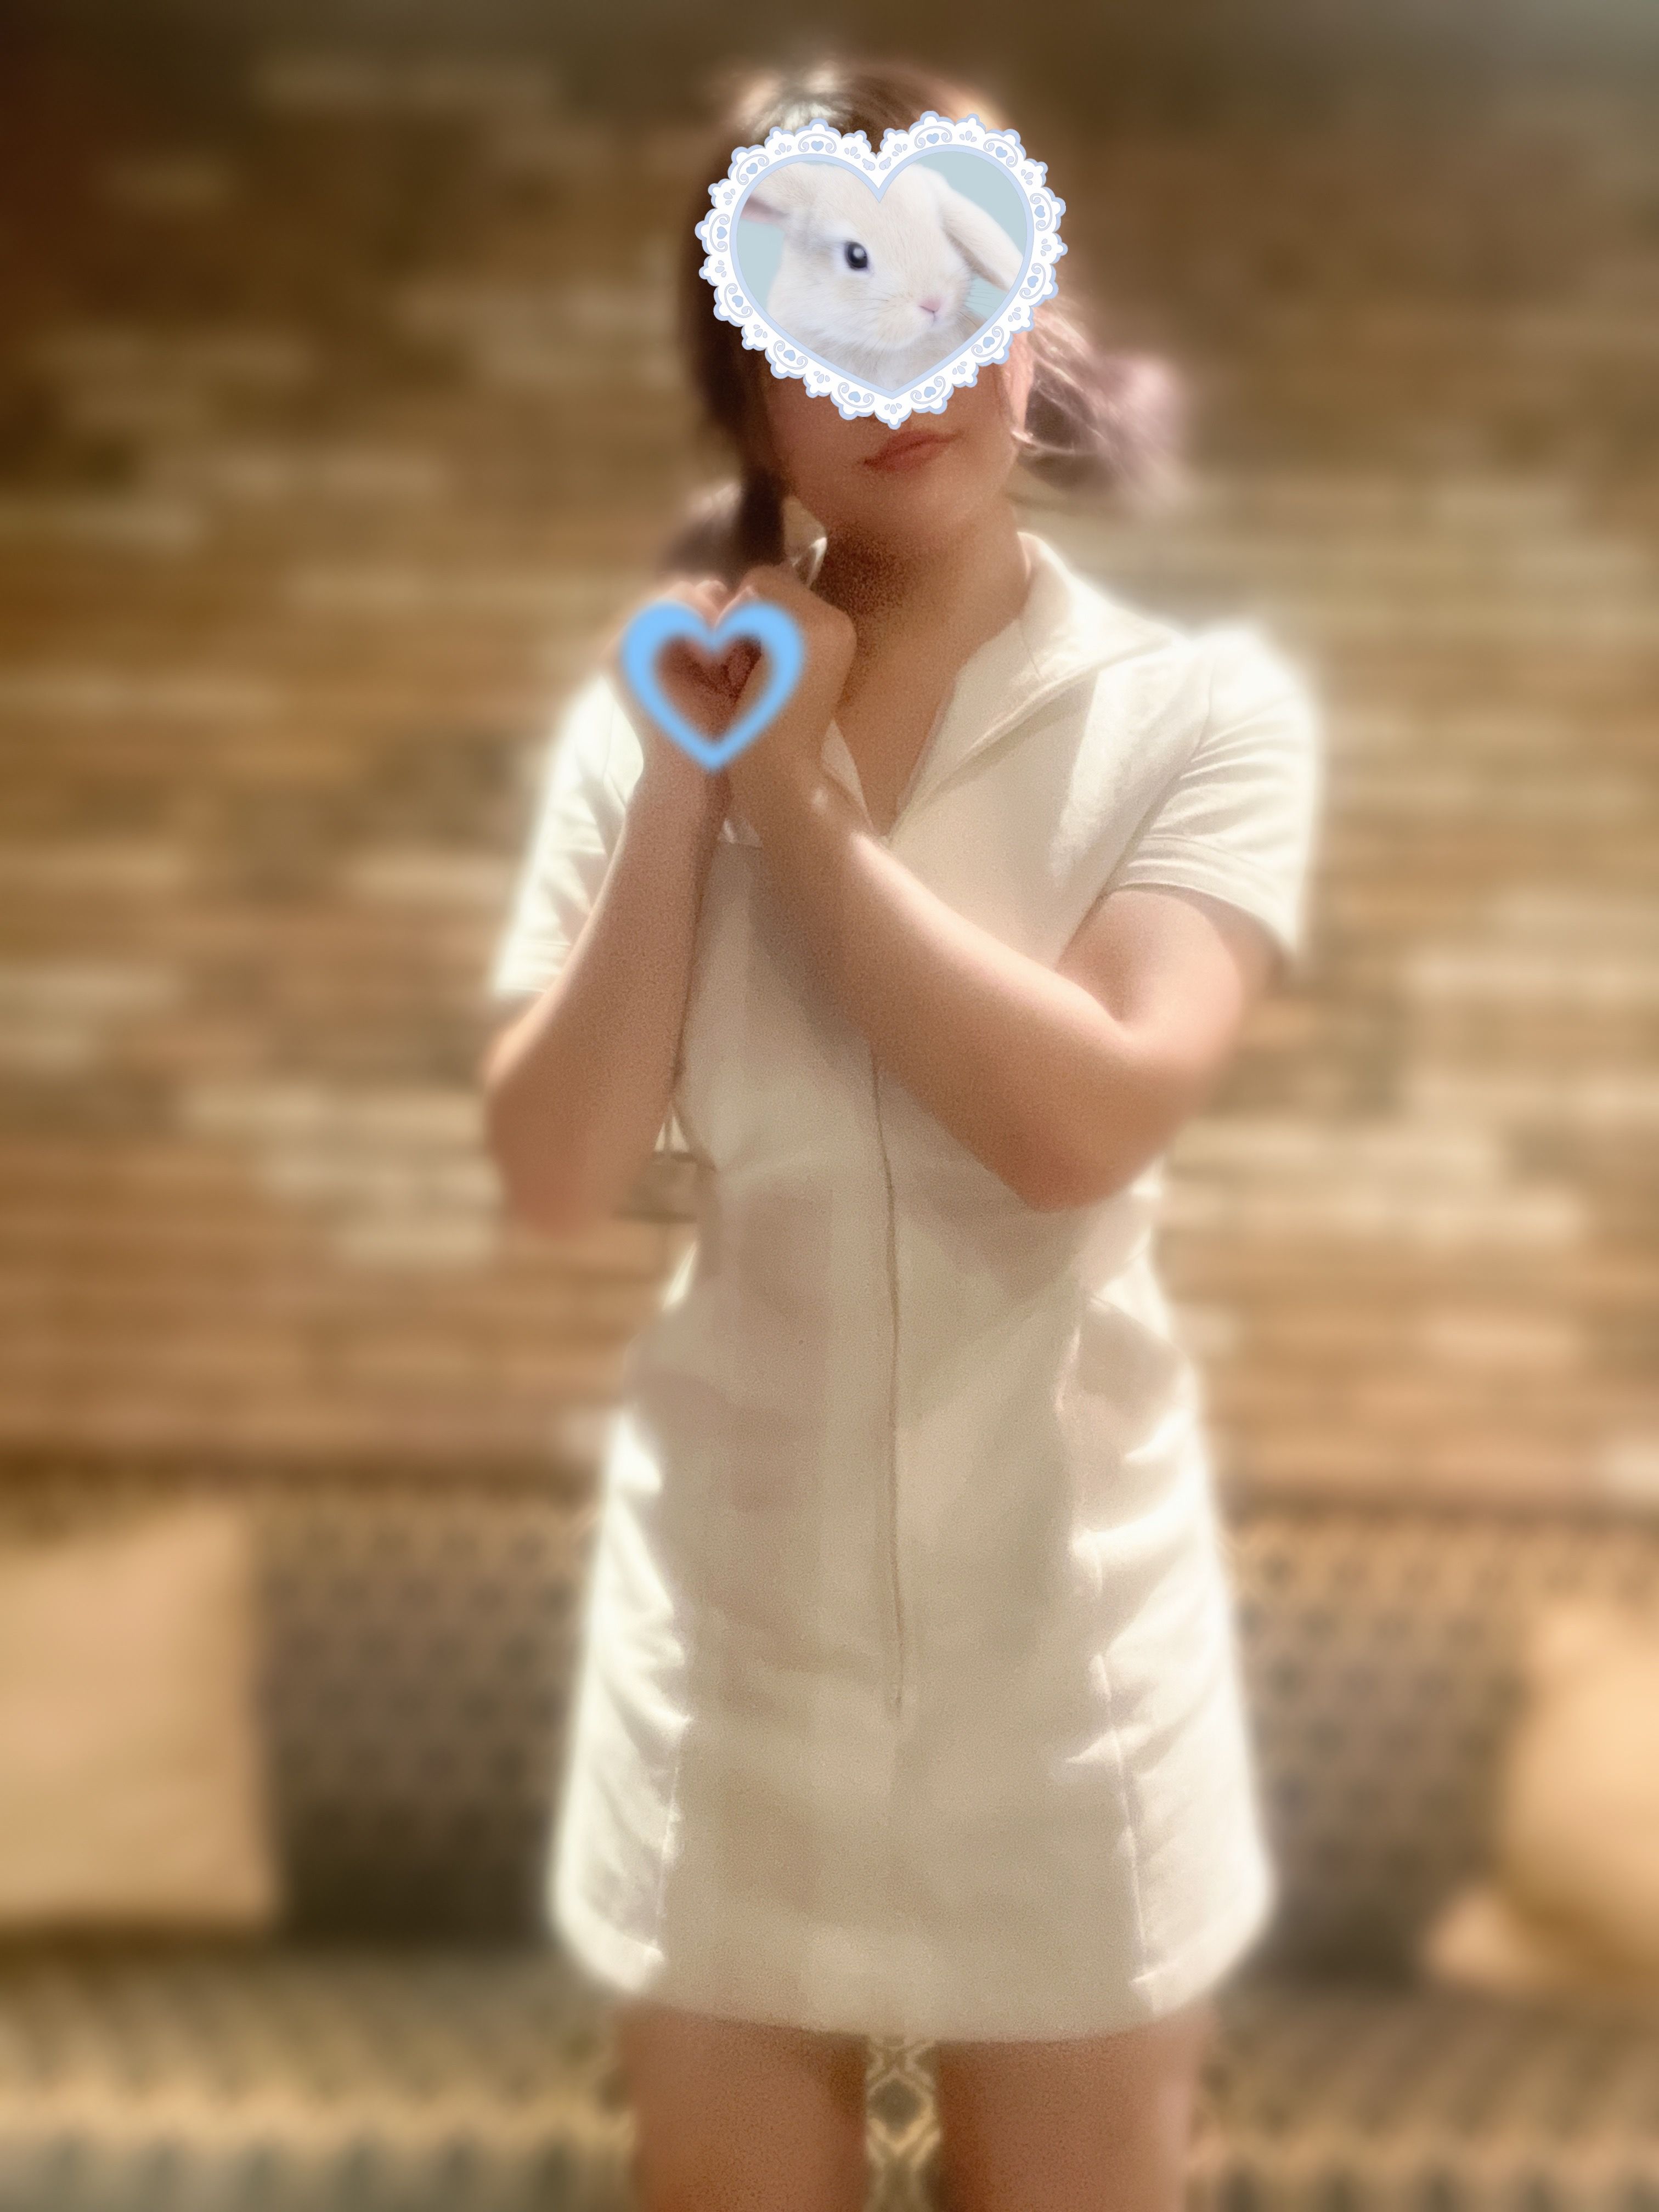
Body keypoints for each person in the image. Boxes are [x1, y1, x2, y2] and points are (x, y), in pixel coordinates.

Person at [480, 50, 1324, 2212]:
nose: (901, 368)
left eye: (953, 294)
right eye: (821, 322)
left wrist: (806, 814)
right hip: (733, 1651)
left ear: (1031, 321)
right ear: (748, 403)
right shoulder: (648, 730)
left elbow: (1085, 1120)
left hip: (1069, 1662)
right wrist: (690, 788)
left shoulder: (1198, 716)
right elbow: (555, 1171)